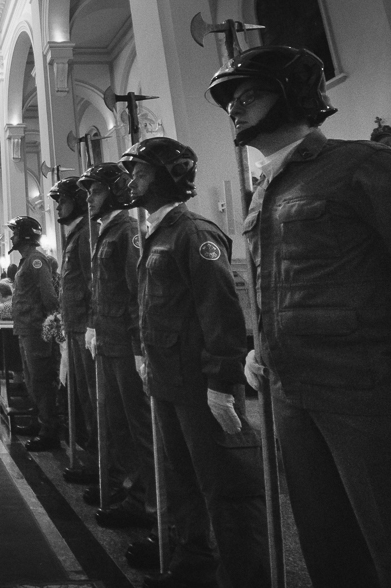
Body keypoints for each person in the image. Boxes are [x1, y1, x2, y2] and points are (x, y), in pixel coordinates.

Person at [207, 45, 391, 588]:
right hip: (294, 395)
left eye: (249, 94)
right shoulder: (270, 187)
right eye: (230, 101)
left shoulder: (362, 165)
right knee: (333, 553)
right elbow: (288, 281)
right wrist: (262, 345)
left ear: (292, 94)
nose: (234, 108)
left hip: (369, 393)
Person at [121, 137, 269, 588]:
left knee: (224, 486)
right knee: (181, 477)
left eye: (140, 172)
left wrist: (223, 382)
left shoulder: (194, 232)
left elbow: (220, 309)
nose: (132, 181)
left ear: (168, 175)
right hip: (168, 378)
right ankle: (194, 561)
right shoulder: (158, 231)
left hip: (199, 383)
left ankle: (244, 577)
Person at [77, 163, 155, 525]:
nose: (89, 199)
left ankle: (148, 502)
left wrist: (139, 349)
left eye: (95, 191)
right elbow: (100, 290)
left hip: (125, 344)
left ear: (115, 191)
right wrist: (93, 327)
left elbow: (137, 292)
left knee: (138, 426)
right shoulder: (106, 231)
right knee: (118, 423)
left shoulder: (127, 231)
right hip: (108, 341)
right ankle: (132, 488)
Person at [49, 177, 103, 488]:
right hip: (76, 327)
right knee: (83, 399)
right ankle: (96, 463)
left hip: (86, 330)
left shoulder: (86, 234)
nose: (58, 207)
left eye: (63, 201)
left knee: (93, 400)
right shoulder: (77, 234)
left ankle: (105, 469)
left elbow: (93, 285)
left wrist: (91, 326)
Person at [7, 215, 62, 451]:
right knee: (31, 379)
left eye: (15, 233)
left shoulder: (37, 260)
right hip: (25, 327)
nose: (12, 237)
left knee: (41, 379)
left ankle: (49, 430)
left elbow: (48, 295)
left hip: (36, 328)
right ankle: (39, 422)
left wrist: (52, 323)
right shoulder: (27, 260)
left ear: (25, 235)